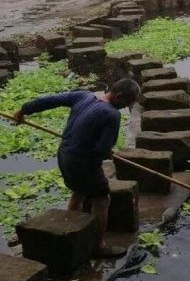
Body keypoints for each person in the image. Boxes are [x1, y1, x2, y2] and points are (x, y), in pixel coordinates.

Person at [13, 79, 141, 258]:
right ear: (119, 96)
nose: (129, 106)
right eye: (129, 102)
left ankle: (69, 233)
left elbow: (50, 100)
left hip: (64, 155)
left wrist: (24, 109)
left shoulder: (84, 95)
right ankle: (99, 245)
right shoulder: (111, 114)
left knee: (79, 191)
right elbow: (103, 150)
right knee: (102, 199)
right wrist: (108, 153)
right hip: (83, 162)